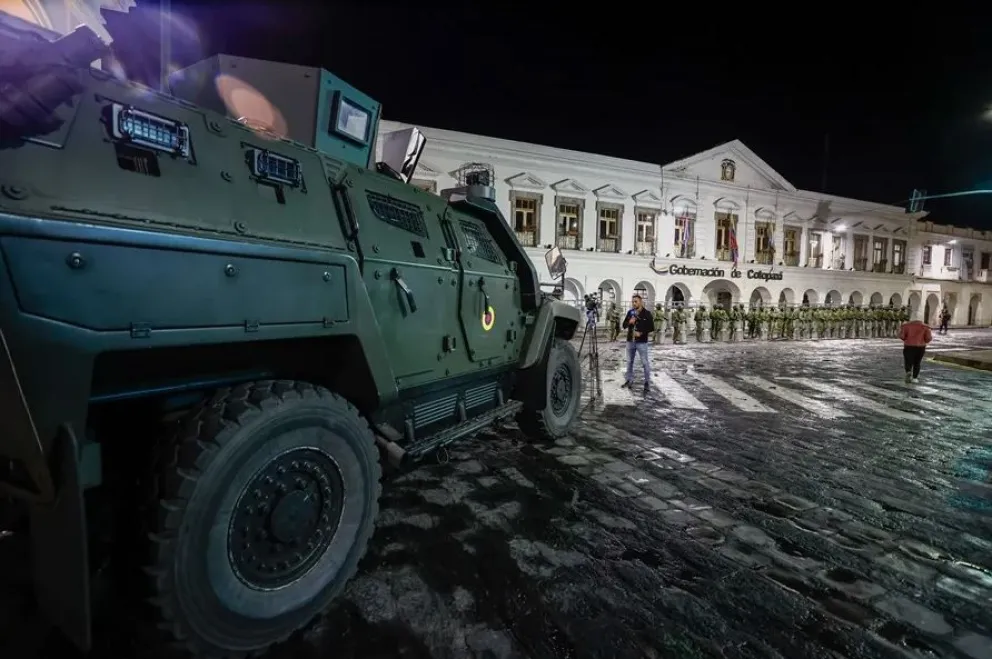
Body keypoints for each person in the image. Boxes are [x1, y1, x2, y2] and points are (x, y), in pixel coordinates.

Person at [621, 294, 654, 391]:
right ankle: (629, 380)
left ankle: (647, 382)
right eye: (633, 301)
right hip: (630, 341)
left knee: (644, 362)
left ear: (641, 302)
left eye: (636, 301)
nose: (634, 303)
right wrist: (629, 322)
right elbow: (623, 325)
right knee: (629, 362)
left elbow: (651, 327)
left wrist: (641, 333)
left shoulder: (647, 313)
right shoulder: (630, 312)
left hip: (642, 342)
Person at [900, 310, 933, 383]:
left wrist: (907, 338)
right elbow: (928, 338)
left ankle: (908, 371)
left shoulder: (906, 326)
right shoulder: (925, 327)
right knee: (917, 362)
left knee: (908, 361)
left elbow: (902, 336)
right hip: (921, 347)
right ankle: (915, 378)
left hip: (909, 346)